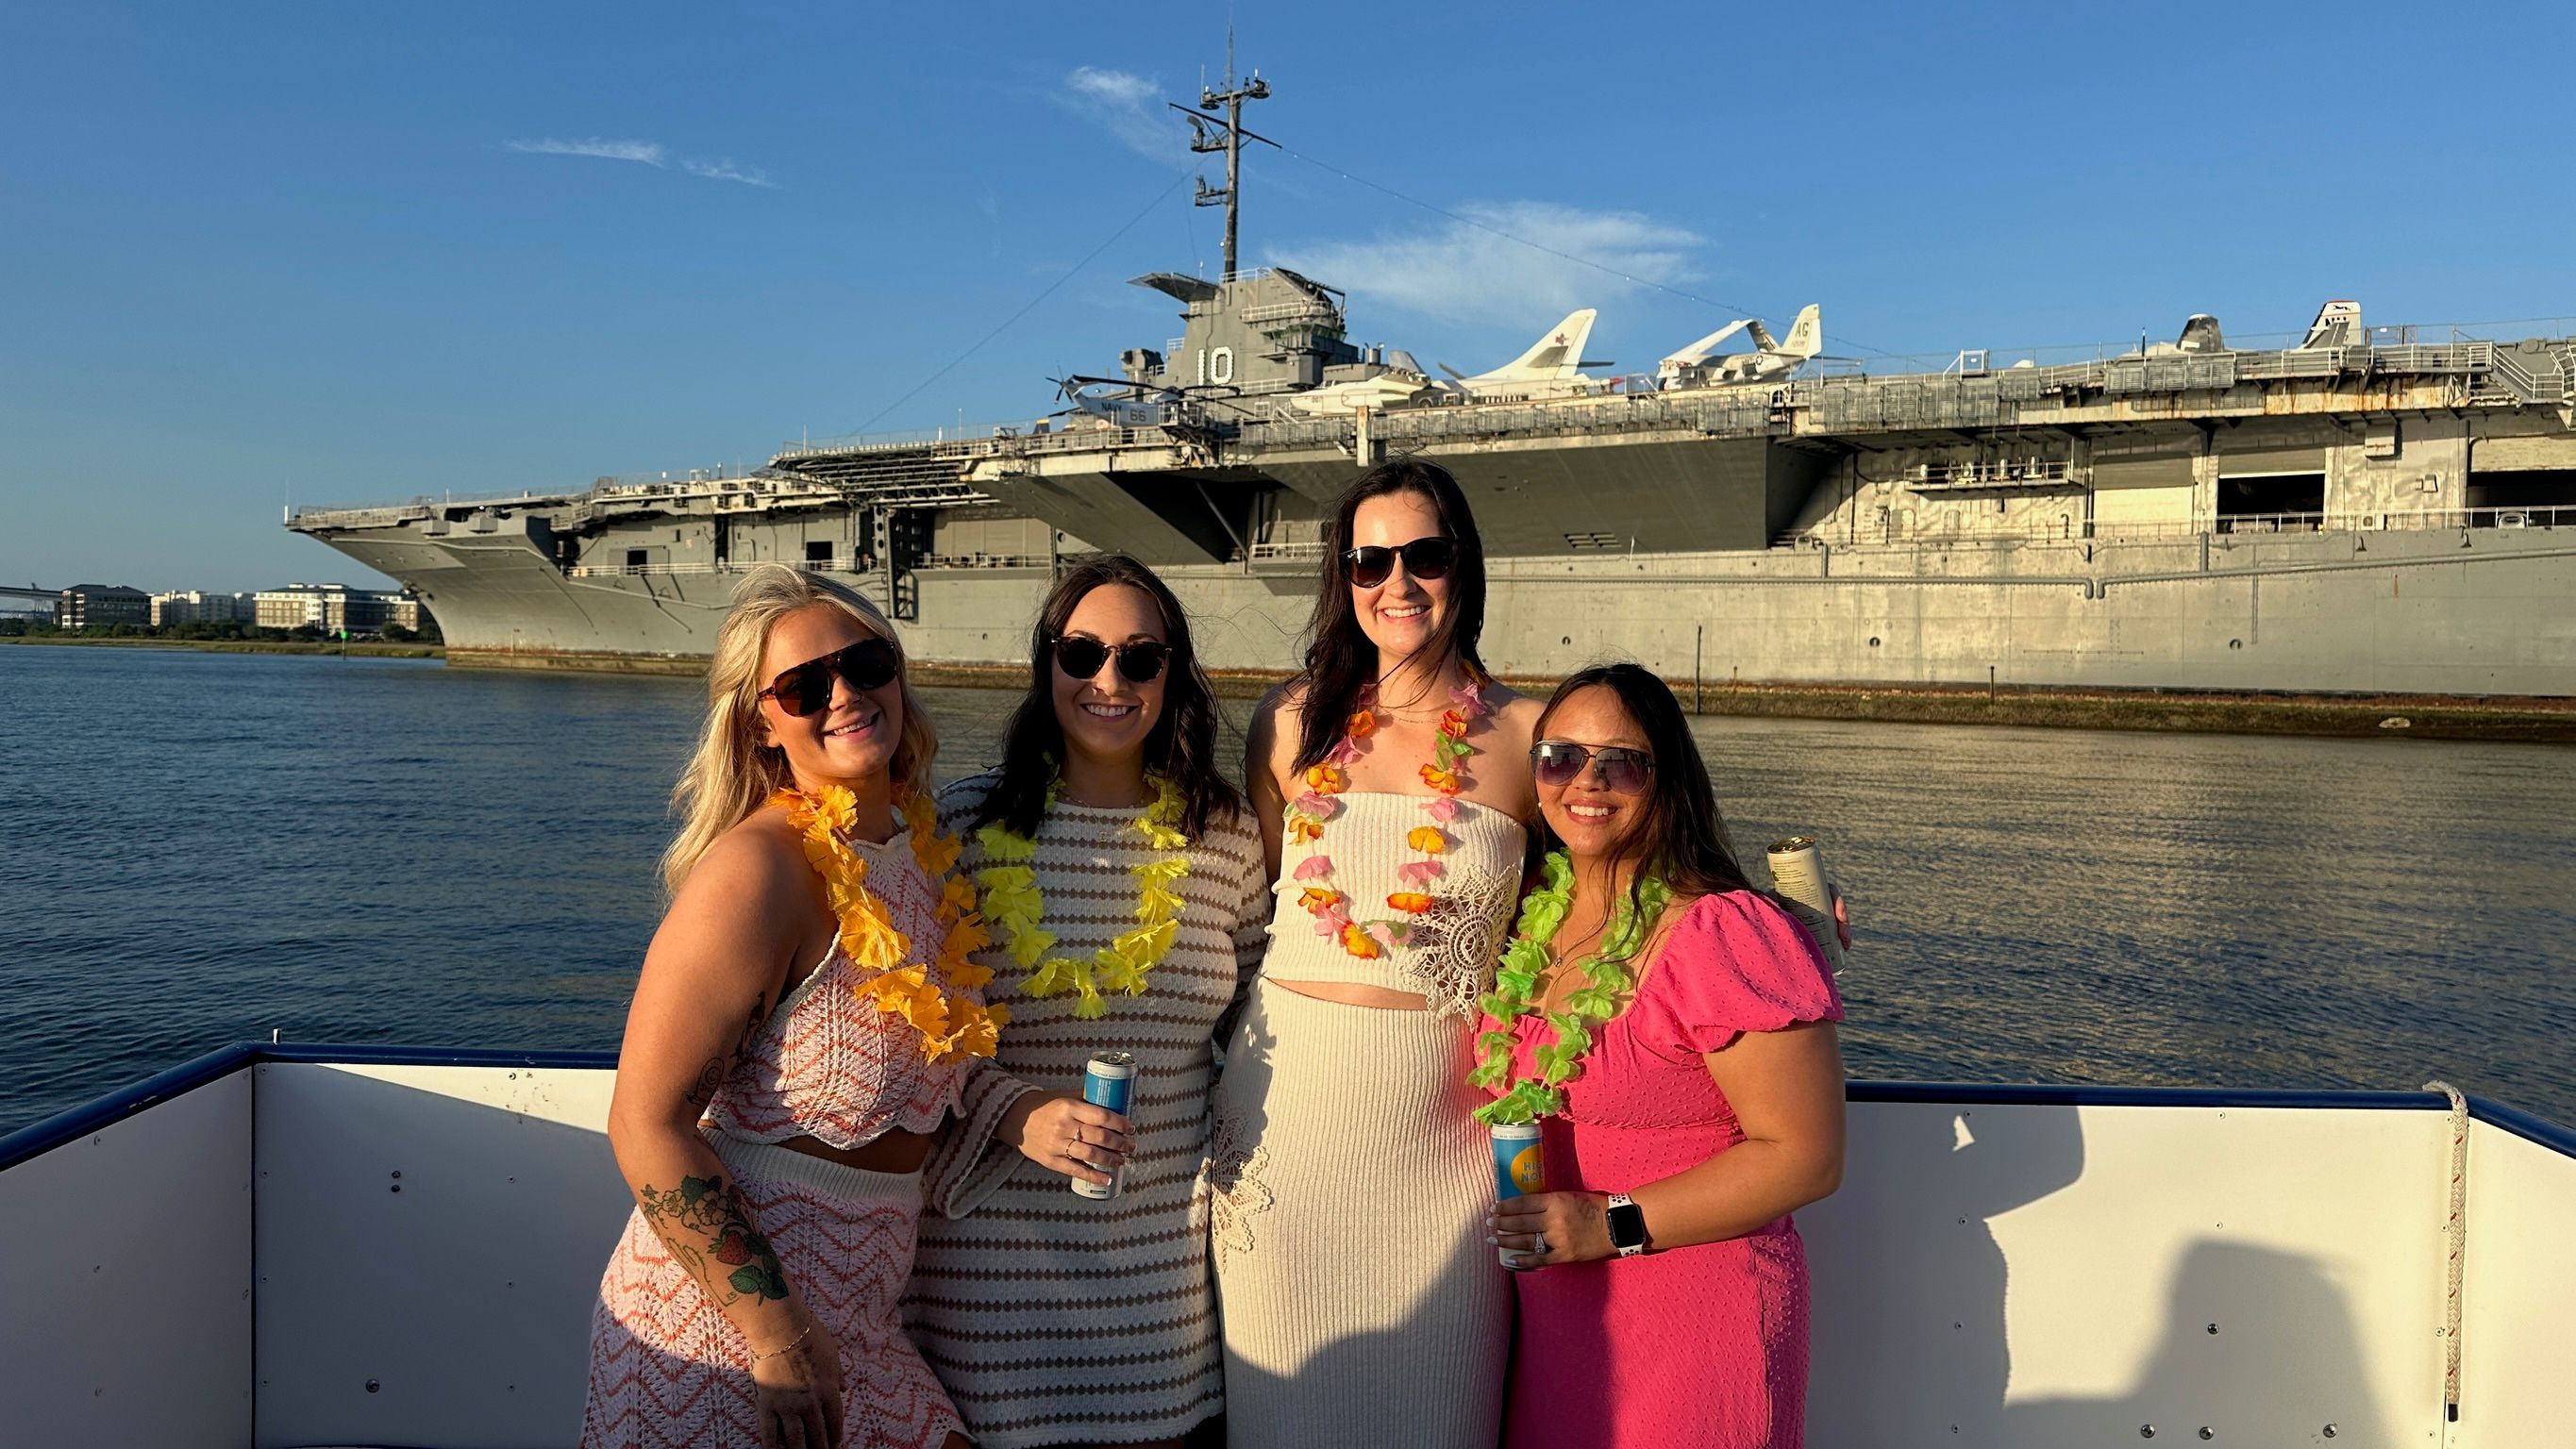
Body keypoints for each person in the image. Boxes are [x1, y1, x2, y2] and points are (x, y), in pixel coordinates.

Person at [581, 564, 995, 1449]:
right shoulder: (758, 871)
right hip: (735, 1330)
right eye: (805, 686)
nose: (845, 694)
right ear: (762, 723)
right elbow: (645, 1124)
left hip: (866, 1315)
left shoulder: (919, 858)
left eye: (866, 663)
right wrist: (777, 1339)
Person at [1210, 459, 1542, 1447]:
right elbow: (1261, 903)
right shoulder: (1286, 721)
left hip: (1442, 1151)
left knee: (1441, 1419)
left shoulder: (1530, 734)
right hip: (1285, 1135)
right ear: (1343, 577)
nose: (1397, 584)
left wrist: (1776, 900)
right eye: (1369, 561)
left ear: (1463, 565)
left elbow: (1622, 888)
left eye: (1424, 555)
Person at [906, 557, 1272, 1448]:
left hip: (1156, 1285)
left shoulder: (1225, 841)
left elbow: (1271, 1024)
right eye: (1082, 653)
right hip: (984, 1278)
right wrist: (1011, 1110)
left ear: (1172, 677)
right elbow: (906, 1029)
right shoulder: (960, 828)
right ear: (1048, 666)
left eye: (1140, 660)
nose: (1109, 681)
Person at [1484, 662, 1847, 1449]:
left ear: (1666, 779)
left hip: (1696, 1322)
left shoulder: (1725, 930)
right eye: (1561, 756)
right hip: (1558, 1333)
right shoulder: (1526, 918)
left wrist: (1607, 1225)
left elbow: (1806, 1157)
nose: (1588, 780)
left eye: (1623, 762)